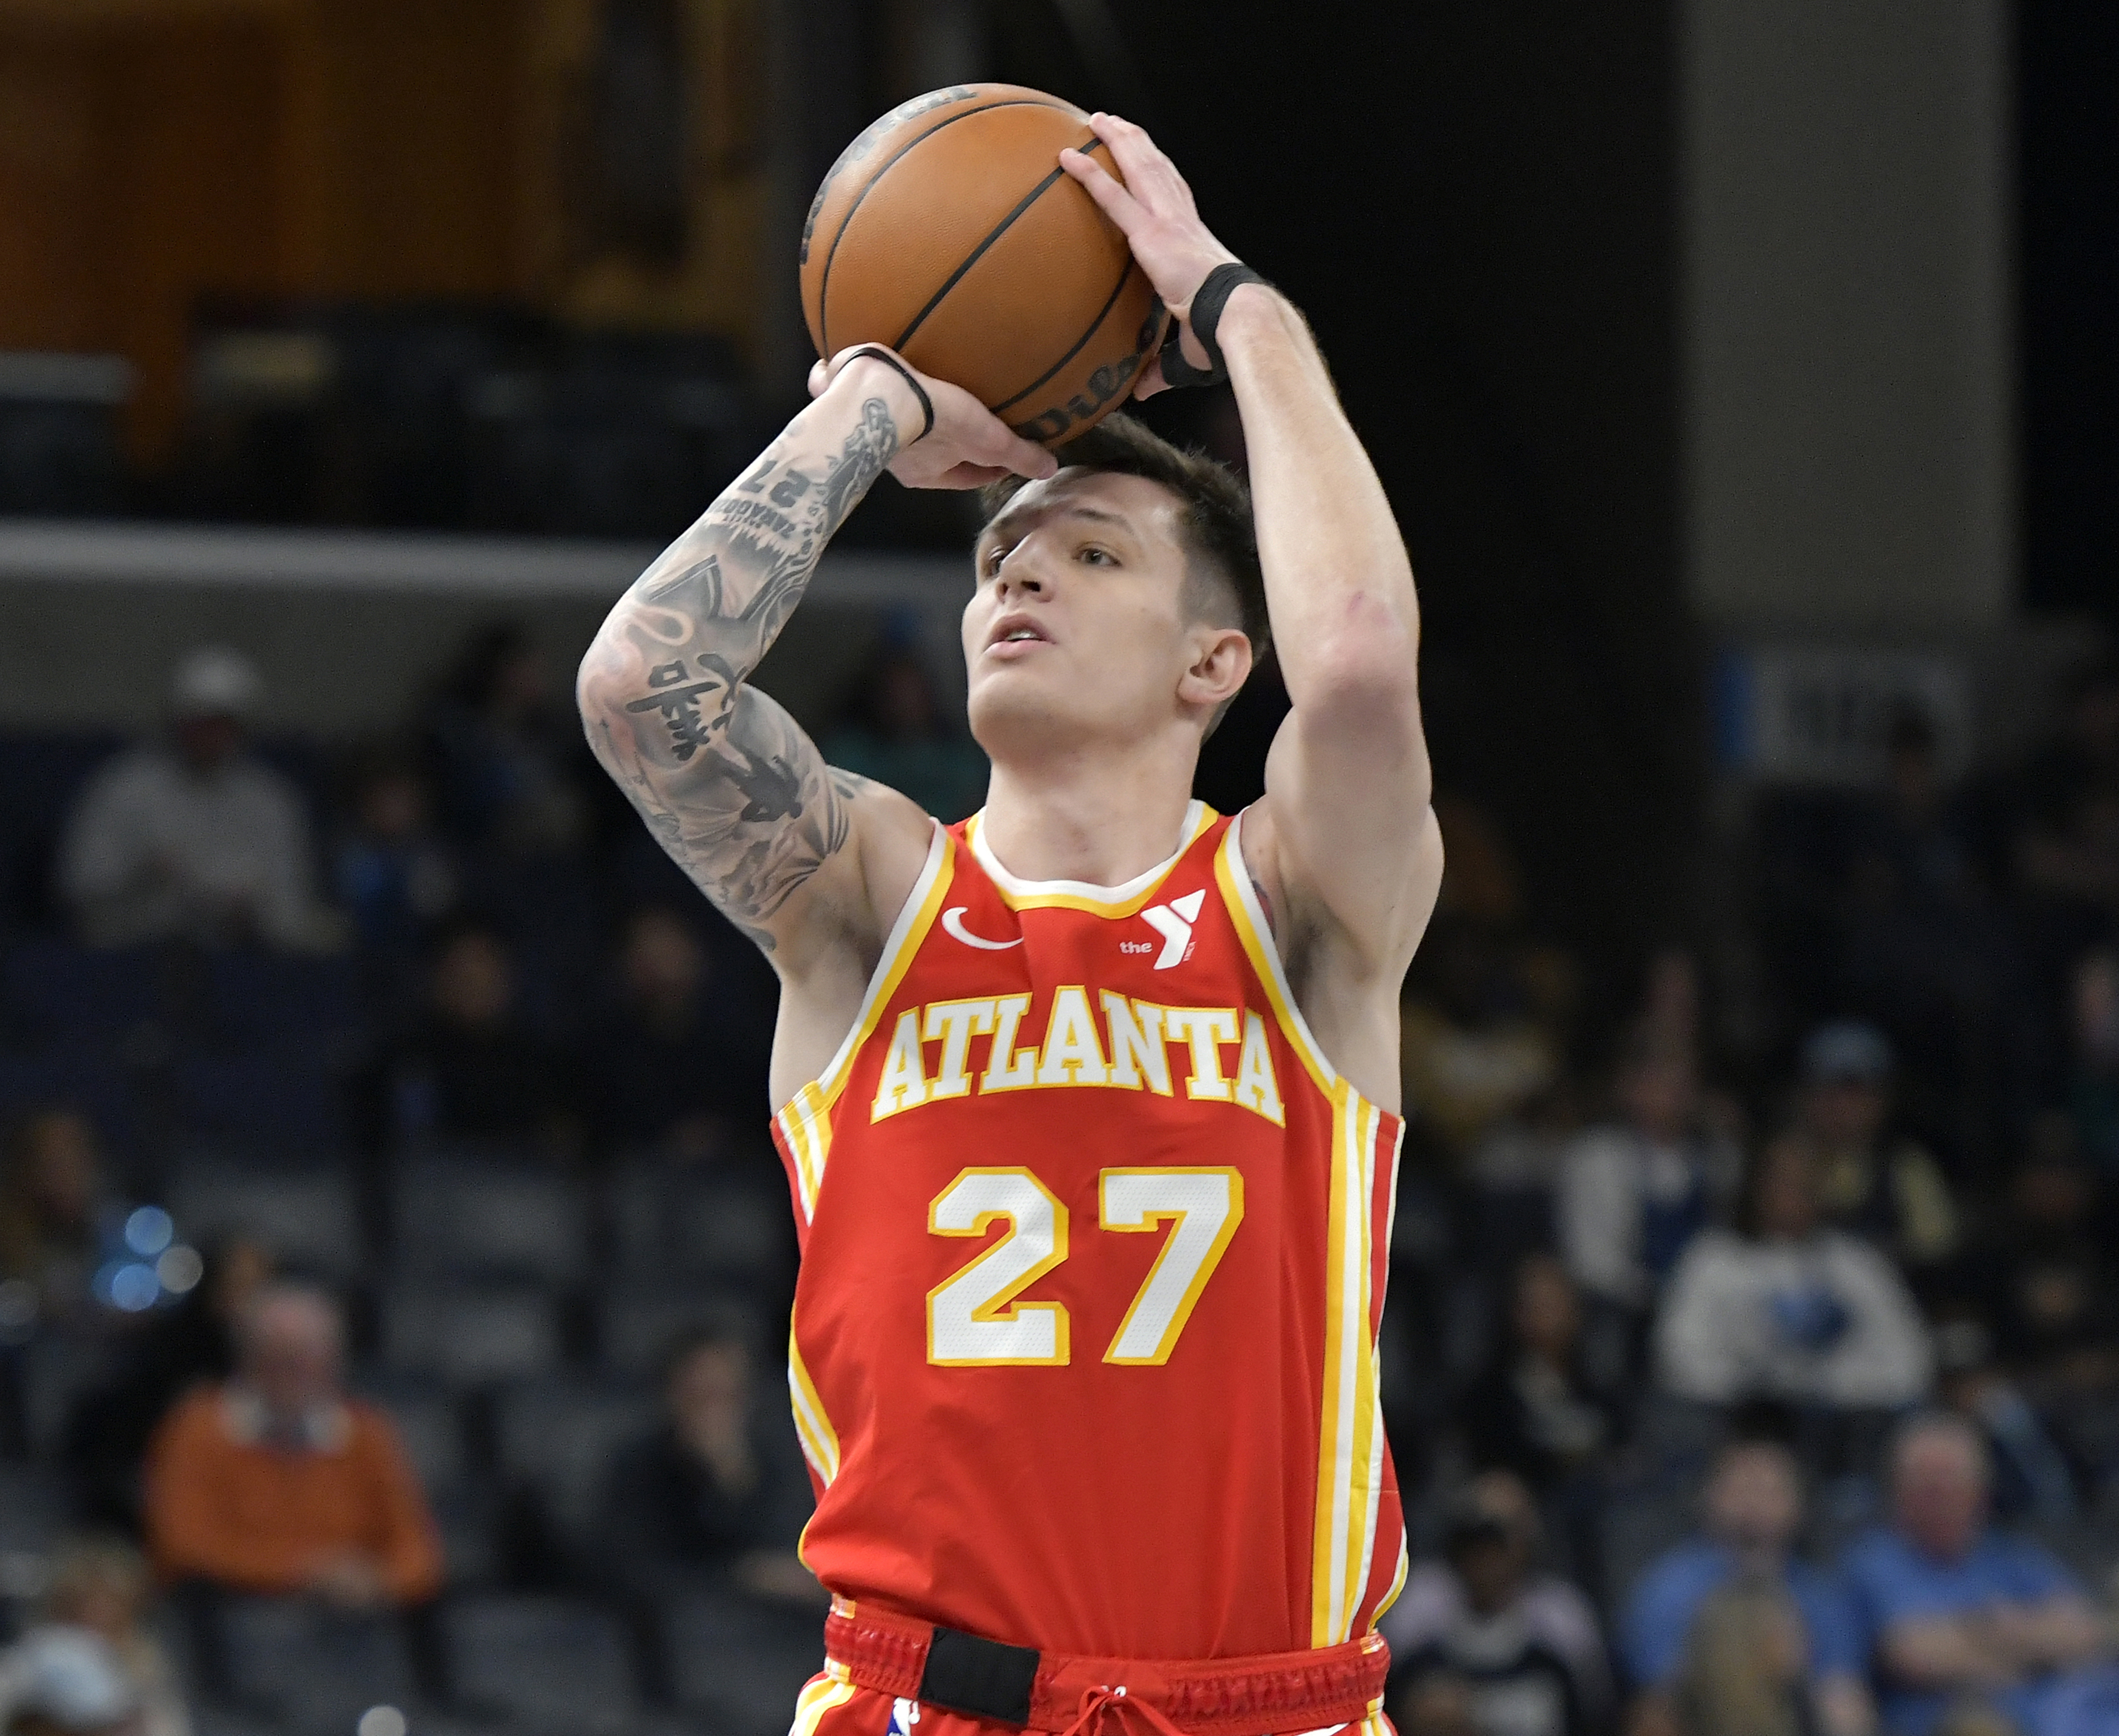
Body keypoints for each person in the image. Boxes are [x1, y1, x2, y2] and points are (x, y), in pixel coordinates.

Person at [578, 111, 1441, 1730]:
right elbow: (641, 689)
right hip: (932, 1702)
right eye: (997, 557)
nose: (1016, 580)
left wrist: (1235, 306)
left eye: (1090, 553)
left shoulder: (1292, 907)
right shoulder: (868, 899)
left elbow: (1359, 662)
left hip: (1271, 1704)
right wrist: (874, 399)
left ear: (1210, 667)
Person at [143, 1283, 441, 1609]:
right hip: (233, 1618)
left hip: (349, 1625)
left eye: (308, 1359)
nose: (294, 1374)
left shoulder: (368, 1434)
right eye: (279, 1359)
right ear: (248, 1358)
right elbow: (182, 1548)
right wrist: (305, 1574)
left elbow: (419, 1556)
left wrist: (375, 1581)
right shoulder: (198, 1427)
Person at [1843, 1413, 2110, 1736]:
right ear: (1898, 1491)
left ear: (1982, 1490)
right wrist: (2013, 1635)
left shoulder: (2011, 1556)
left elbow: (2085, 1632)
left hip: (2050, 1717)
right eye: (1928, 1484)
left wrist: (1973, 1640)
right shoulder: (1874, 1561)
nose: (1941, 1495)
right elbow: (1912, 1654)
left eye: (1953, 1480)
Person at [56, 646, 337, 951]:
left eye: (221, 724)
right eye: (199, 723)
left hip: (239, 963)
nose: (209, 736)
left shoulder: (271, 800)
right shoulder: (124, 787)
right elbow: (81, 887)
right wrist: (145, 875)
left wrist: (249, 912)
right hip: (133, 960)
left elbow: (291, 908)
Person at [1655, 1140, 1932, 1413]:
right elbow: (1679, 1355)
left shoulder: (1857, 1262)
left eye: (1806, 1183)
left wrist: (1828, 1390)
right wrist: (1754, 1393)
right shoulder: (1713, 1258)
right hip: (1736, 1421)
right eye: (1781, 1182)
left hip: (1842, 1424)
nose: (1792, 1195)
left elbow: (1908, 1361)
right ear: (1756, 1187)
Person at [1621, 1438, 1873, 1736]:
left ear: (1798, 1506)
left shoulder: (1820, 1595)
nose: (1754, 1504)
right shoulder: (1668, 1588)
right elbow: (1658, 1697)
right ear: (1708, 1498)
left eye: (1770, 1491)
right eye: (1741, 1489)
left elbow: (1844, 1692)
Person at [593, 1326, 818, 1608]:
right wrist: (739, 1578)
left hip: (768, 1627)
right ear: (673, 1394)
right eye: (701, 1397)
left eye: (726, 1396)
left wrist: (735, 1483)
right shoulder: (637, 1470)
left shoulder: (777, 1463)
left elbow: (791, 1555)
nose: (715, 1413)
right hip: (676, 1627)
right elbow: (636, 1573)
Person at [68, 1234, 275, 1533]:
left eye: (262, 1286)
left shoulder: (287, 1363)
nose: (253, 1300)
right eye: (241, 1285)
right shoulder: (169, 1356)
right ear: (214, 1288)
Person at [1382, 1472, 1611, 1736]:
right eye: (1475, 1541)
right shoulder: (1419, 1611)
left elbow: (1595, 1713)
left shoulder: (1562, 1621)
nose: (1486, 1561)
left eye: (1498, 1542)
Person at [1558, 1028, 1741, 1324]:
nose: (1676, 1091)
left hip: (1702, 1314)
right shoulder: (1598, 1158)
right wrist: (1657, 1294)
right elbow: (1591, 1266)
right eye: (1661, 1078)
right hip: (1625, 1317)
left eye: (1684, 1079)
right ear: (1630, 1087)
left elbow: (1728, 1247)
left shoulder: (1717, 1160)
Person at [1776, 1022, 1959, 1283]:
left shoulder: (1905, 1168)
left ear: (1881, 1100)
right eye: (1828, 1091)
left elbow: (1936, 1253)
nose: (1841, 1106)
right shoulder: (1783, 1164)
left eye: (1854, 1093)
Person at [370, 922, 571, 1153]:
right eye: (458, 969)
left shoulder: (543, 1062)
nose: (472, 979)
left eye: (483, 964)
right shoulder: (406, 1062)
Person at [582, 907, 764, 1159]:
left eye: (668, 946)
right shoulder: (609, 1040)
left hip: (729, 1166)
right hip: (642, 1164)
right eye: (647, 950)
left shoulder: (734, 1029)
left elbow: (751, 1108)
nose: (660, 961)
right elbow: (605, 1121)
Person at [0, 1539, 190, 1736]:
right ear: (63, 1604)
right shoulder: (28, 1660)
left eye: (111, 1605)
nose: (98, 1614)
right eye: (87, 1603)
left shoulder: (148, 1678)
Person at [819, 640, 989, 823]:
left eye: (912, 690)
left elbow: (971, 804)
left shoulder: (958, 755)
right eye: (894, 691)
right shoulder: (849, 751)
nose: (905, 701)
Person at [0, 1110, 113, 1333]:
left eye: (78, 1159)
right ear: (27, 1171)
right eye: (55, 1164)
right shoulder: (9, 1244)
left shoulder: (117, 1227)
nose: (71, 1174)